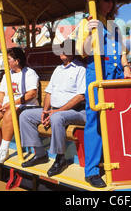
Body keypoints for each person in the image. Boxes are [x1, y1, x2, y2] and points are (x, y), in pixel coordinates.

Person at [76, 0, 131, 188]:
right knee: (95, 121)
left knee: (116, 119)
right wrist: (91, 33)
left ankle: (116, 161)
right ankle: (91, 171)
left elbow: (122, 50)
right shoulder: (87, 22)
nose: (110, 3)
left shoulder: (114, 25)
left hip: (115, 74)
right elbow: (81, 51)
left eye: (112, 0)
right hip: (97, 73)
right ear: (96, 1)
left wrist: (126, 67)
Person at [19, 39, 86, 177]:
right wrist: (45, 110)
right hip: (55, 110)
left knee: (56, 117)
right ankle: (40, 153)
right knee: (25, 116)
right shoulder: (58, 69)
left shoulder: (81, 69)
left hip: (76, 112)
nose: (61, 51)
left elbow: (81, 96)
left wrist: (56, 111)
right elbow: (49, 92)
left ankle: (60, 158)